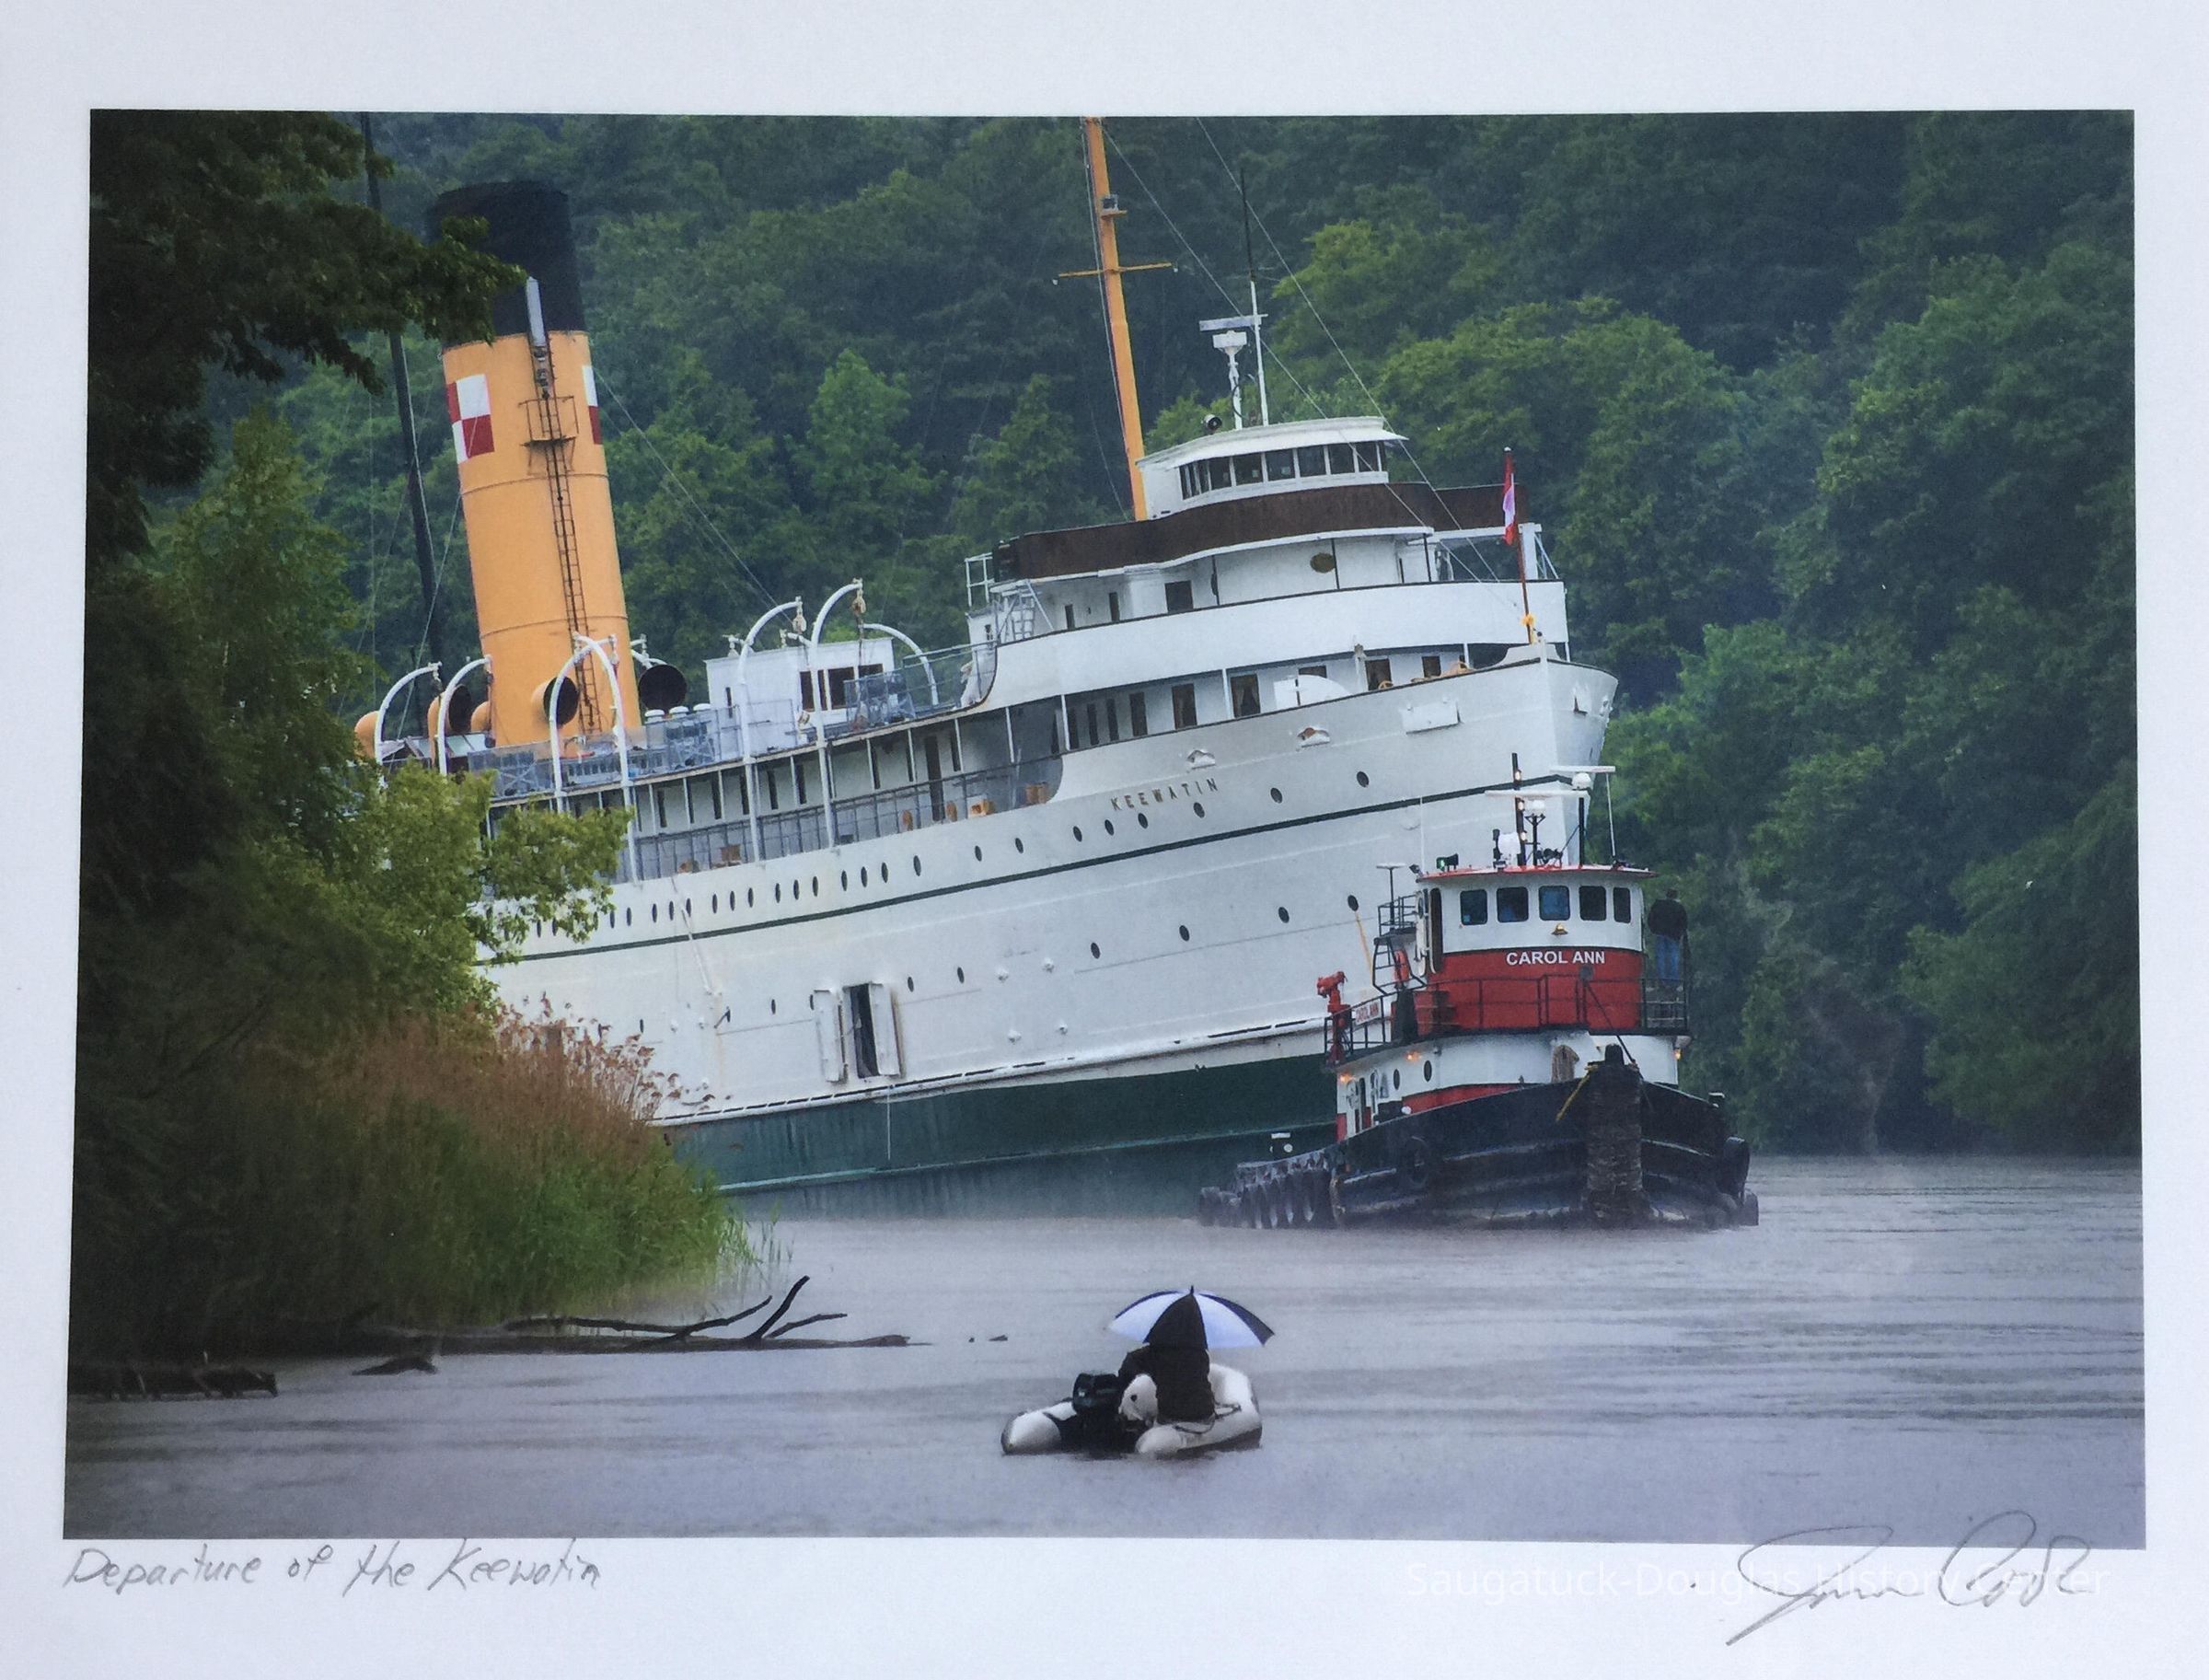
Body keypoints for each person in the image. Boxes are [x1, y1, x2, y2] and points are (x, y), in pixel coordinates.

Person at [1116, 1337, 1214, 1425]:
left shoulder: (1153, 1353)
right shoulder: (1201, 1354)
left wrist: (1120, 1391)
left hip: (1171, 1415)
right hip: (1205, 1414)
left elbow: (1129, 1365)